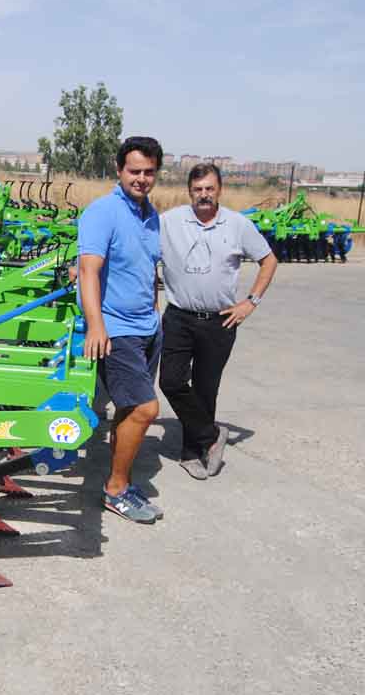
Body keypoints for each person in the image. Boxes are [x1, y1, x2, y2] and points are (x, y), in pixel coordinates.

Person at [159, 163, 278, 479]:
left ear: (219, 190)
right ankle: (211, 435)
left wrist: (250, 303)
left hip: (220, 322)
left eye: (209, 189)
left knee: (205, 389)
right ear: (189, 192)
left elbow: (268, 260)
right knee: (170, 381)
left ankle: (191, 453)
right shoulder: (169, 222)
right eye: (198, 190)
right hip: (178, 318)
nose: (204, 195)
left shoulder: (237, 225)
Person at [78, 136, 165, 524]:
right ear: (119, 170)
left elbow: (149, 269)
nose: (142, 178)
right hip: (117, 329)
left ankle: (121, 475)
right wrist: (96, 325)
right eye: (134, 171)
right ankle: (116, 489)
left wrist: (155, 310)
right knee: (146, 409)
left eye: (149, 172)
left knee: (130, 409)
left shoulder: (152, 215)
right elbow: (88, 270)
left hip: (147, 325)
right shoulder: (102, 212)